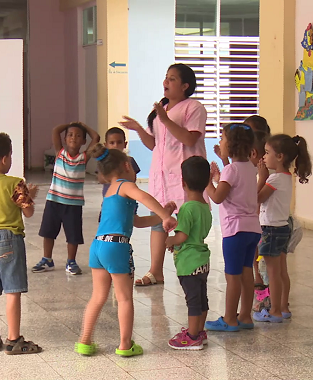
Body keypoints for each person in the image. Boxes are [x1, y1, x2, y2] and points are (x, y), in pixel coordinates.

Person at [75, 144, 177, 357]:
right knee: (124, 298)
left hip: (99, 245)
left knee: (98, 296)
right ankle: (125, 345)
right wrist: (166, 216)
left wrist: (161, 215)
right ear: (126, 166)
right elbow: (145, 197)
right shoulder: (125, 185)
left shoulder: (110, 192)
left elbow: (137, 221)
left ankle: (85, 341)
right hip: (117, 246)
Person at [120, 63, 208, 287]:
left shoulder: (193, 107)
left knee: (188, 224)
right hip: (161, 179)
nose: (166, 83)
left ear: (186, 86)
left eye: (172, 79)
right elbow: (154, 144)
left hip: (185, 179)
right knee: (159, 222)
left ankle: (192, 268)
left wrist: (166, 119)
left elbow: (189, 139)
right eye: (166, 78)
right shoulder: (162, 111)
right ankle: (155, 271)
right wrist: (140, 128)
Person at [0, 130, 42, 354]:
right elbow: (29, 211)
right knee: (13, 290)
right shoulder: (15, 183)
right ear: (5, 158)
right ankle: (14, 339)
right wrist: (30, 194)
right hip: (9, 238)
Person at [204, 124, 261, 332]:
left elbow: (218, 197)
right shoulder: (249, 168)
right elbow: (234, 181)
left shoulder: (230, 170)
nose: (220, 142)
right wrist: (224, 162)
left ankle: (229, 318)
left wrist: (207, 182)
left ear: (232, 145)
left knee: (232, 275)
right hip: (252, 229)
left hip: (234, 230)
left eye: (222, 139)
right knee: (246, 272)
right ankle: (245, 316)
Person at [253, 134, 312, 323]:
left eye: (267, 153)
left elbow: (256, 198)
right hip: (282, 228)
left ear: (280, 157)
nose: (263, 157)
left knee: (272, 274)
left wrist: (262, 178)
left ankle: (275, 311)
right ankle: (284, 306)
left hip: (271, 229)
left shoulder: (275, 179)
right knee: (281, 271)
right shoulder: (285, 177)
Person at [33, 122, 100, 275]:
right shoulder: (59, 153)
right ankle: (47, 259)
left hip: (73, 205)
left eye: (78, 136)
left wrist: (84, 125)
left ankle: (71, 261)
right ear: (64, 138)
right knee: (48, 232)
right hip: (54, 201)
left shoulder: (84, 157)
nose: (73, 138)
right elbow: (55, 129)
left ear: (84, 141)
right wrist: (70, 124)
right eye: (70, 135)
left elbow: (95, 137)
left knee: (73, 235)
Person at [165, 156, 213, 350]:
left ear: (183, 183)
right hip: (202, 260)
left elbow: (182, 236)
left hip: (189, 262)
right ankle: (199, 331)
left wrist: (169, 240)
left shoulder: (187, 208)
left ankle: (192, 336)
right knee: (202, 298)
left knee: (192, 300)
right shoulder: (205, 207)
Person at [97, 127, 140, 221]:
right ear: (106, 145)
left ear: (125, 144)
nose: (116, 145)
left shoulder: (129, 160)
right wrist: (115, 176)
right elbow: (101, 179)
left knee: (126, 224)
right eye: (112, 143)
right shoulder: (105, 162)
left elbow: (133, 179)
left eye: (119, 142)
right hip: (110, 202)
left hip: (126, 200)